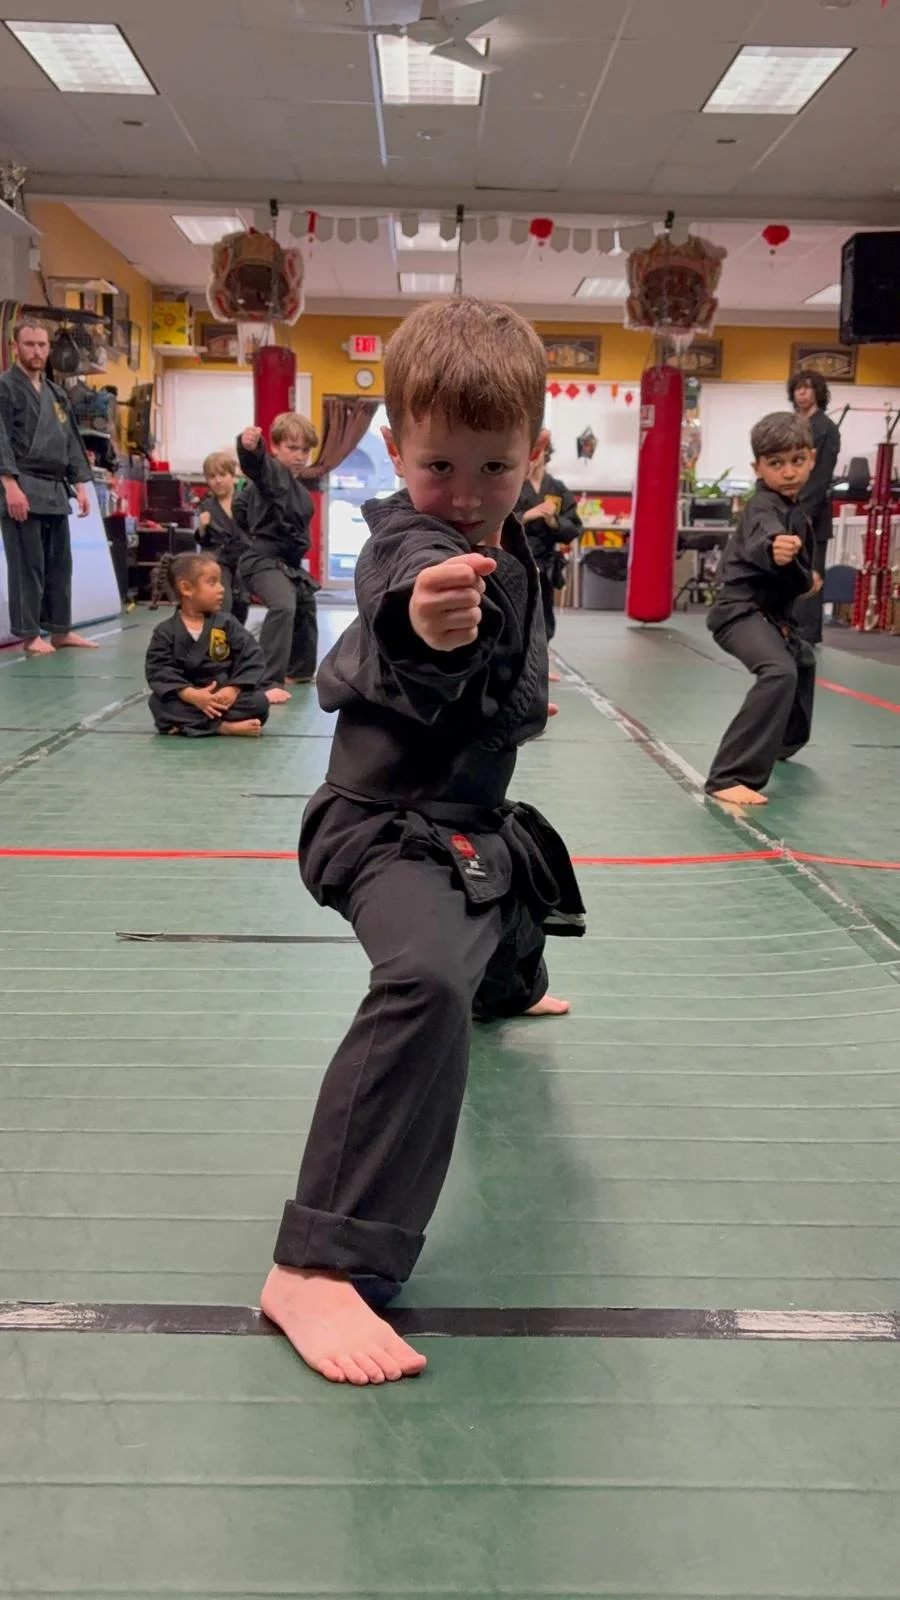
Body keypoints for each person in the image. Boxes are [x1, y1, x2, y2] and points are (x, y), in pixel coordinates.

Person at [259, 296, 585, 1386]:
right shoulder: (413, 543)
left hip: (466, 825)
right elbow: (405, 599)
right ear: (395, 451)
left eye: (493, 469)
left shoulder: (522, 549)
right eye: (438, 465)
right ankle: (316, 1260)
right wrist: (425, 622)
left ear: (533, 457)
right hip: (378, 830)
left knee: (518, 871)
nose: (465, 495)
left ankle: (511, 980)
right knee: (422, 981)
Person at [705, 412, 822, 806]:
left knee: (801, 662)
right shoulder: (764, 507)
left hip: (772, 617)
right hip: (738, 613)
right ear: (758, 467)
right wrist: (775, 547)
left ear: (812, 459)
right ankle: (729, 775)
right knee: (778, 672)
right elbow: (763, 535)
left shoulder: (797, 508)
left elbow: (798, 575)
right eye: (776, 464)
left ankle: (784, 742)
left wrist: (807, 579)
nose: (788, 472)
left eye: (797, 461)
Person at [0, 318, 96, 657]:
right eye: (30, 344)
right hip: (21, 484)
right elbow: (0, 440)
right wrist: (9, 485)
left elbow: (70, 439)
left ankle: (60, 630)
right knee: (27, 564)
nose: (37, 351)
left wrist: (81, 484)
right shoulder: (5, 387)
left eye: (42, 345)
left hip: (55, 490)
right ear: (16, 347)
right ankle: (29, 635)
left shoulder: (55, 393)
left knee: (59, 564)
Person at [236, 413, 320, 703]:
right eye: (292, 448)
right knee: (283, 605)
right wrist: (248, 446)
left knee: (305, 603)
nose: (299, 456)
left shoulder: (296, 485)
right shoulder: (271, 474)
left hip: (287, 564)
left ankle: (299, 671)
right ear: (275, 448)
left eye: (305, 450)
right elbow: (255, 465)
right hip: (261, 561)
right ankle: (267, 680)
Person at [145, 551, 270, 738]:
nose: (221, 589)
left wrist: (233, 689)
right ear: (186, 588)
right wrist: (192, 695)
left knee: (259, 702)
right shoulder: (165, 631)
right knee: (158, 704)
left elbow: (252, 656)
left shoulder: (227, 624)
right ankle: (224, 727)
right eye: (212, 583)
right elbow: (159, 670)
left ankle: (191, 725)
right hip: (189, 698)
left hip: (224, 697)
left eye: (220, 582)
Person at [787, 369, 841, 644]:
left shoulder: (828, 429)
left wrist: (803, 510)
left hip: (813, 512)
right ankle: (789, 625)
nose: (802, 393)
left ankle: (809, 631)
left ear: (818, 392)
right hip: (787, 507)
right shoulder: (790, 426)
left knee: (811, 572)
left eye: (807, 388)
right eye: (798, 388)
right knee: (789, 571)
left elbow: (822, 475)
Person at [516, 437, 582, 651]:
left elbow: (573, 527)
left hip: (545, 561)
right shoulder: (514, 485)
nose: (535, 458)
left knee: (544, 614)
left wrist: (554, 522)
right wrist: (526, 516)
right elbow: (495, 520)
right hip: (518, 558)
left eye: (539, 452)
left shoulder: (557, 488)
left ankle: (542, 663)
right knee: (518, 612)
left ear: (546, 453)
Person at [196, 450, 249, 623]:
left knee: (241, 604)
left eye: (222, 474)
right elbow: (204, 541)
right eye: (212, 476)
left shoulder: (246, 501)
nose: (217, 480)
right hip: (219, 561)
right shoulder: (207, 505)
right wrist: (202, 527)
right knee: (222, 602)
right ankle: (218, 645)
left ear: (232, 475)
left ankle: (236, 643)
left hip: (244, 560)